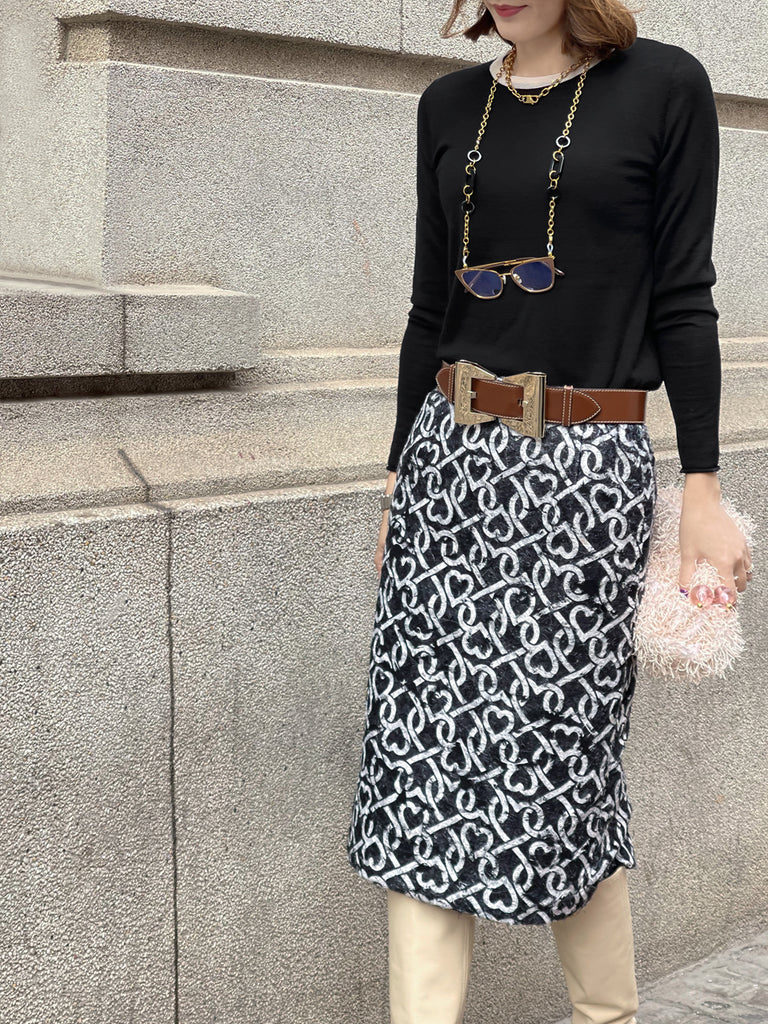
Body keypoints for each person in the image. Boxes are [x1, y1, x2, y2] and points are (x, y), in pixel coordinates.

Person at [347, 1, 754, 1022]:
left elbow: (684, 294)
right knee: (421, 756)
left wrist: (702, 488)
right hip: (448, 464)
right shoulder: (449, 106)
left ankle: (604, 1014)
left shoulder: (663, 86)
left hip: (584, 473)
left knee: (567, 760)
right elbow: (428, 309)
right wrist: (398, 476)